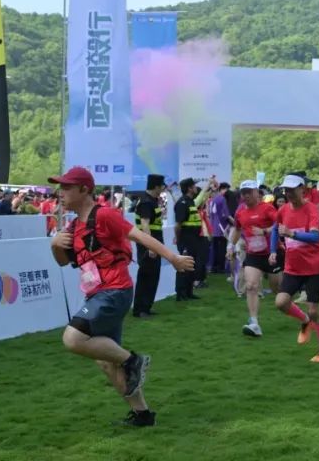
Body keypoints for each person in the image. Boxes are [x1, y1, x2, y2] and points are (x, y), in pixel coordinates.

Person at [47, 166, 193, 428]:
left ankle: (133, 360)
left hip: (114, 290)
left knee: (72, 338)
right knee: (106, 362)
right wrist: (55, 245)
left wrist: (173, 258)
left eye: (67, 187)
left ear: (84, 190)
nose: (61, 192)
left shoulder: (104, 215)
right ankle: (143, 415)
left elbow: (139, 235)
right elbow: (62, 262)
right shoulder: (73, 226)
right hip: (96, 294)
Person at [273, 175, 319, 363]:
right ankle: (305, 321)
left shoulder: (312, 209)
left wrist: (292, 233)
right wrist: (273, 250)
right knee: (281, 302)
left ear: (302, 189)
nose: (288, 193)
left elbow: (315, 238)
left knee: (314, 311)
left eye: (292, 190)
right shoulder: (283, 210)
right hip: (293, 266)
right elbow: (275, 229)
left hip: (313, 266)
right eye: (286, 190)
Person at [229, 180, 283, 337]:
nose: (246, 196)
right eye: (243, 193)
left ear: (256, 193)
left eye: (249, 192)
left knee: (277, 290)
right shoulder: (240, 212)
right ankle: (254, 322)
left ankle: (292, 307)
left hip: (272, 254)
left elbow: (279, 225)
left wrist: (264, 231)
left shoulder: (267, 208)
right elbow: (237, 229)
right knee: (251, 285)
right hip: (253, 255)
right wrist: (231, 246)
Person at [132, 174, 167, 318]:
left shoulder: (152, 200)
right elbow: (145, 225)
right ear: (156, 186)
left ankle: (146, 307)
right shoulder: (146, 202)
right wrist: (150, 246)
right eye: (162, 185)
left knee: (153, 276)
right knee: (146, 276)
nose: (163, 188)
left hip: (153, 244)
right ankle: (140, 309)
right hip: (148, 246)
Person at [173, 178, 210, 301]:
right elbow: (178, 225)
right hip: (186, 239)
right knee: (183, 266)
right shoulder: (182, 203)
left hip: (194, 239)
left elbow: (202, 197)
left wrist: (209, 186)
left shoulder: (190, 202)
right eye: (194, 186)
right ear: (189, 188)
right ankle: (181, 293)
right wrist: (178, 240)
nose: (195, 188)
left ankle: (189, 292)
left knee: (191, 266)